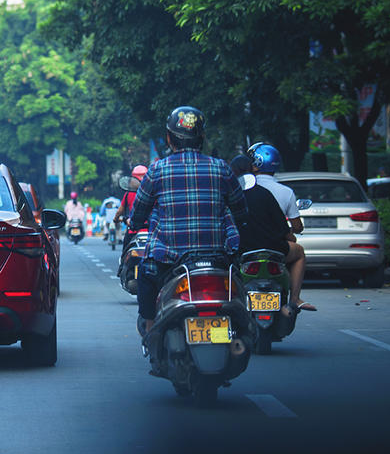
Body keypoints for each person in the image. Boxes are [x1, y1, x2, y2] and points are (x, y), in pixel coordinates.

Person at [129, 106, 248, 334]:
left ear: (168, 138)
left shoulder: (157, 171)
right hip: (217, 257)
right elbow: (241, 211)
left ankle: (152, 331)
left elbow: (138, 214)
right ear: (201, 137)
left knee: (145, 274)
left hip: (169, 260)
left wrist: (133, 223)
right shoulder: (221, 168)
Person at [246, 143, 316, 312]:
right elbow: (296, 227)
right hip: (276, 247)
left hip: (246, 246)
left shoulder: (243, 189)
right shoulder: (285, 192)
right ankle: (295, 298)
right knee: (299, 252)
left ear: (255, 164)